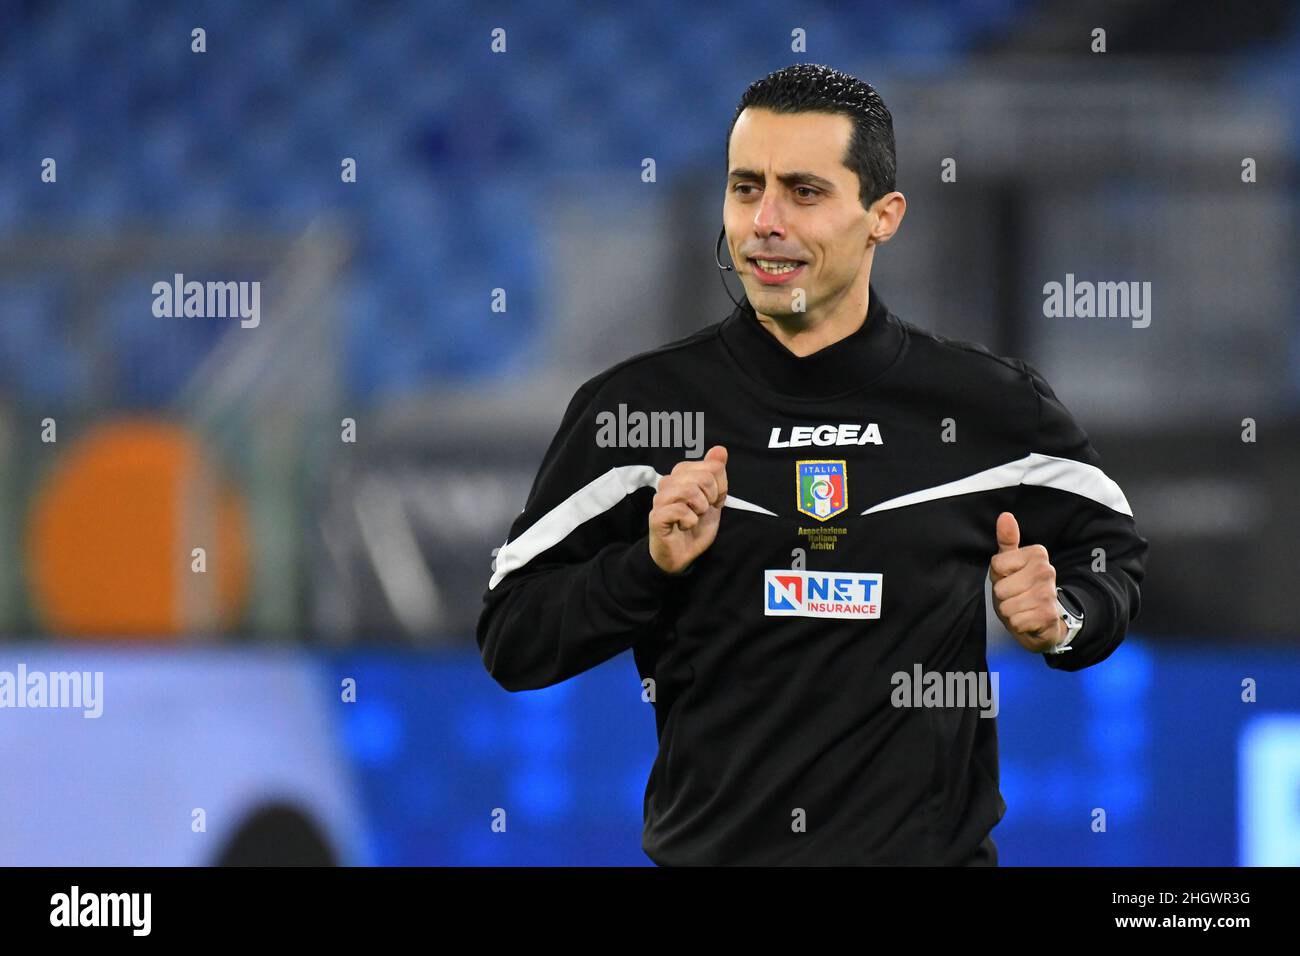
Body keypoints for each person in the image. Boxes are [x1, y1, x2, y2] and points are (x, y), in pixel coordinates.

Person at [476, 63, 1148, 865]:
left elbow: (1114, 559)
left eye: (804, 191)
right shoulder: (636, 411)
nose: (764, 221)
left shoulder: (990, 408)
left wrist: (1065, 615)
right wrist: (646, 568)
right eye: (744, 187)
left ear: (882, 216)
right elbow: (512, 635)